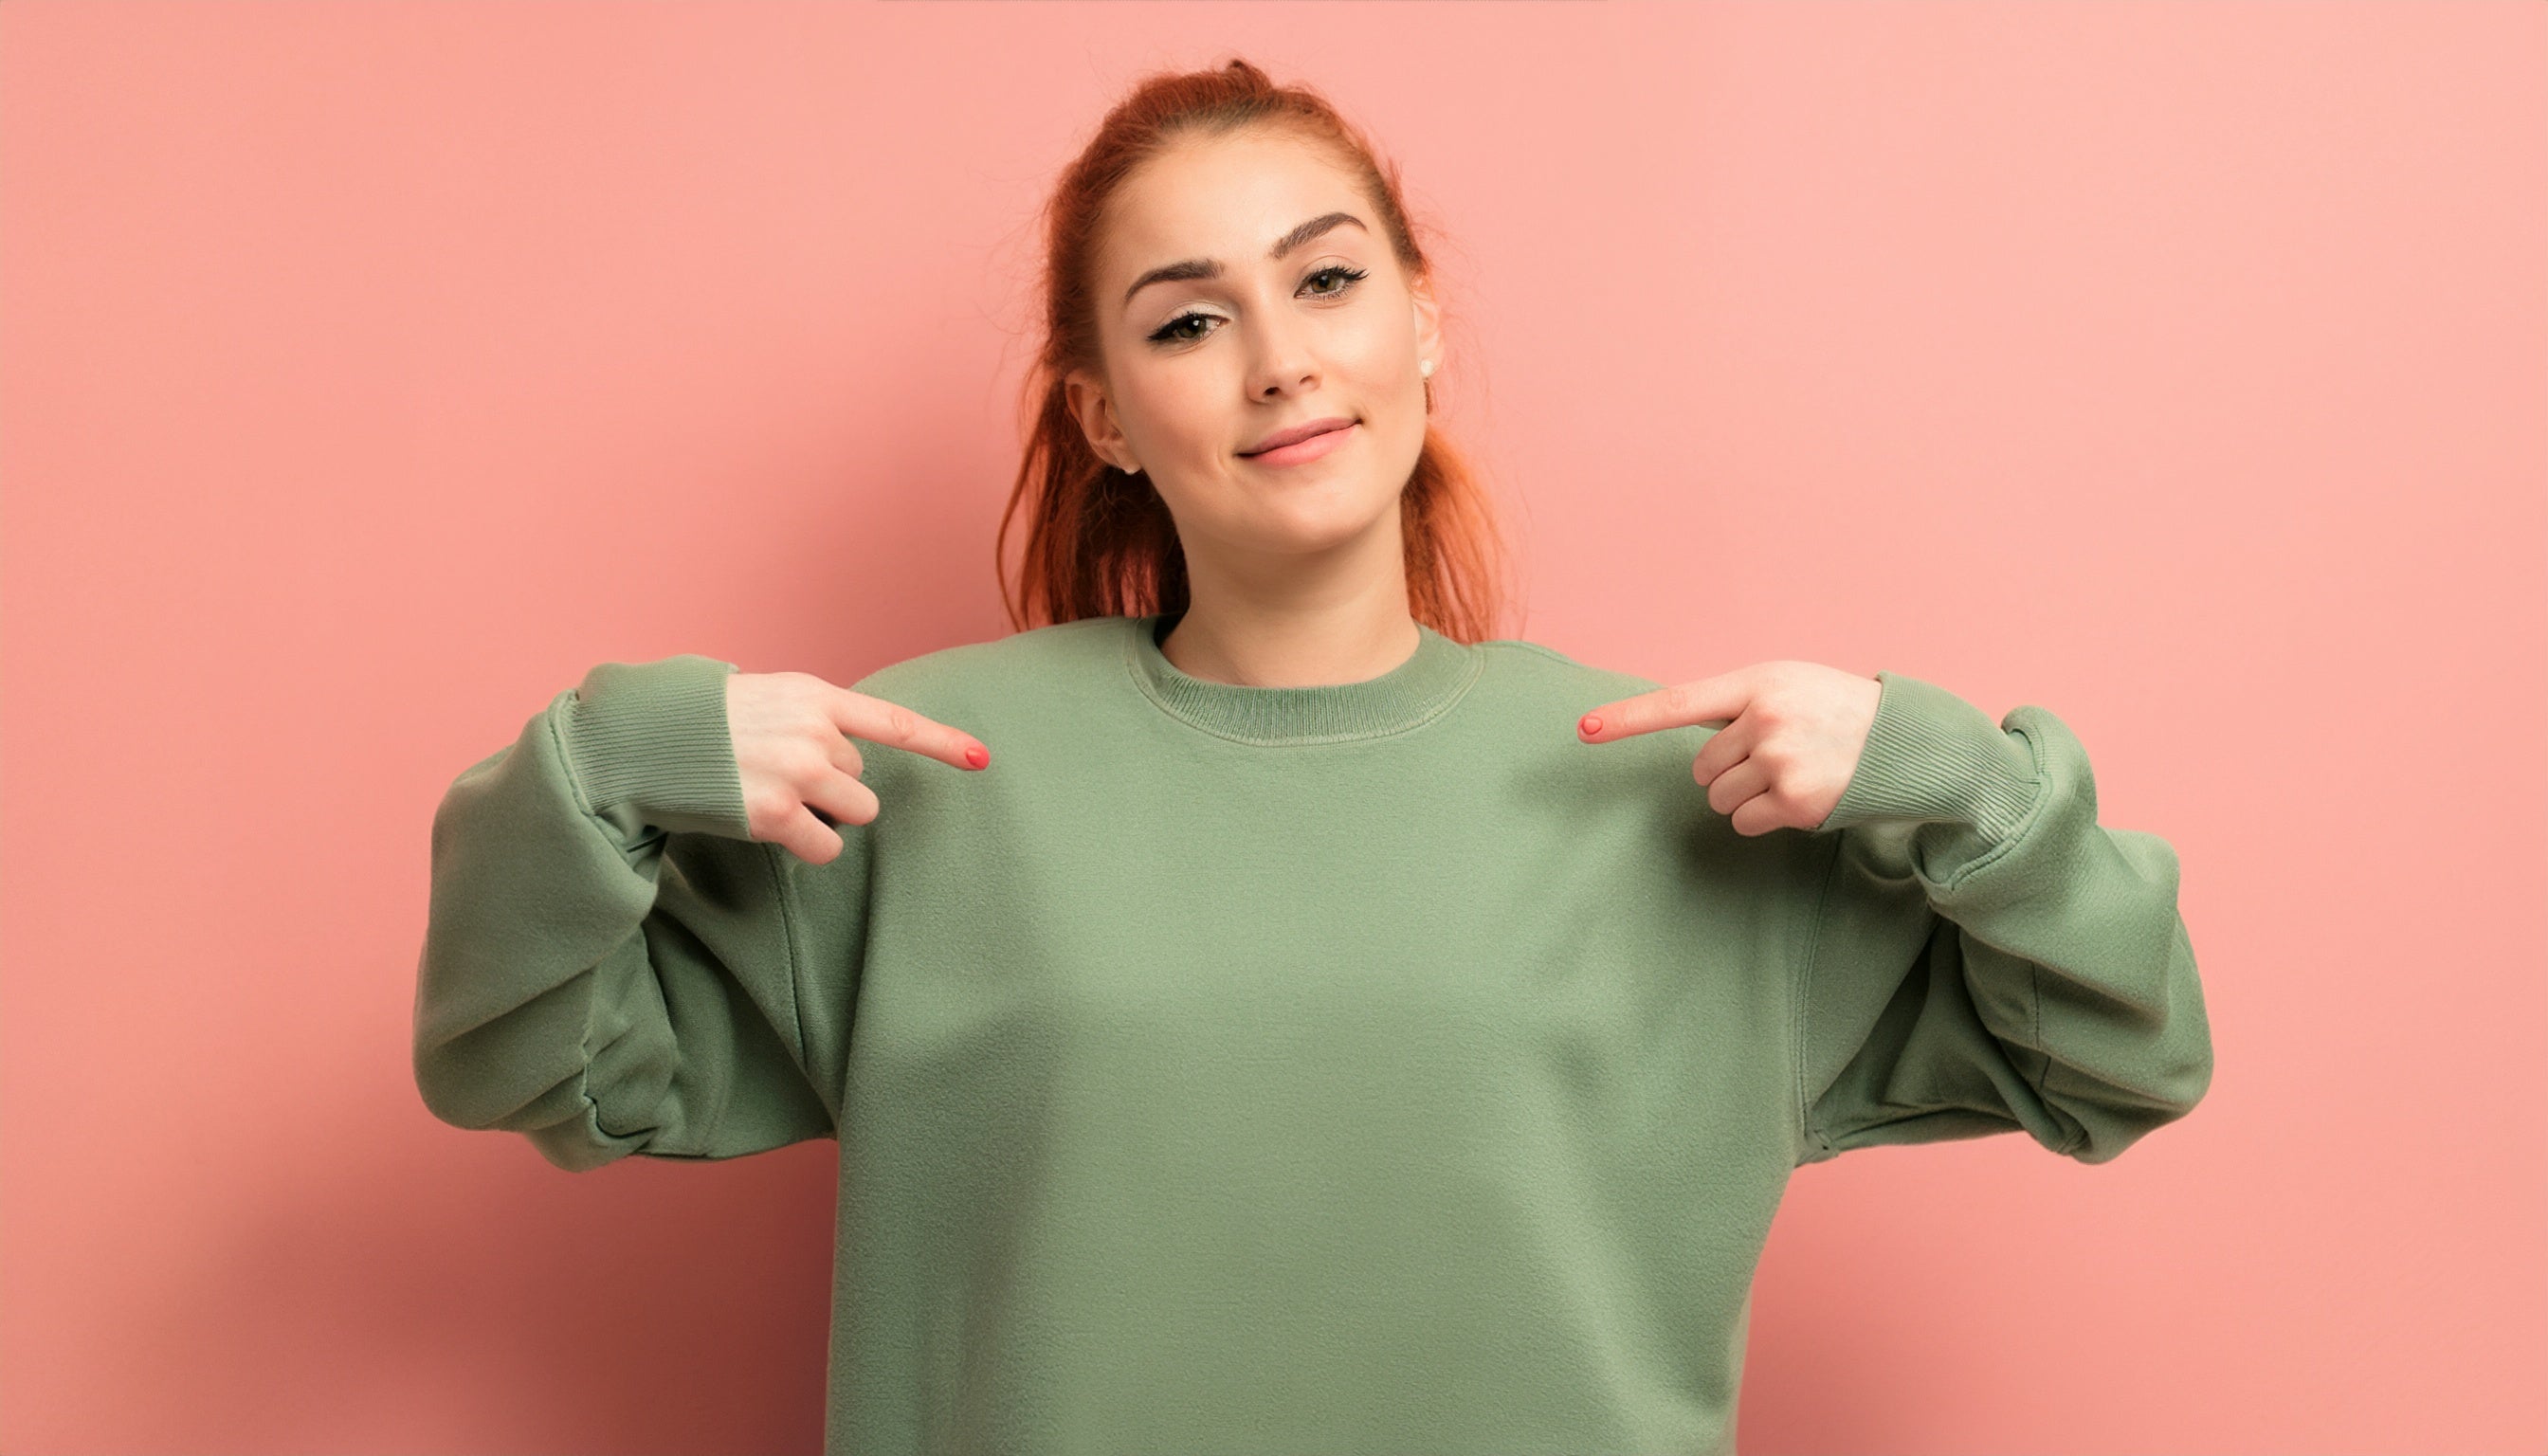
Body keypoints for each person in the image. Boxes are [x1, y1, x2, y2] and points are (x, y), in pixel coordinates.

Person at [412, 58, 2213, 1456]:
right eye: (1191, 319)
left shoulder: (1682, 800)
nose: (1280, 361)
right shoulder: (930, 775)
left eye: (1327, 281)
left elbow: (2127, 1057)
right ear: (1105, 417)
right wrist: (606, 760)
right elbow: (519, 1061)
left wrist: (1961, 780)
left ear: (1421, 318)